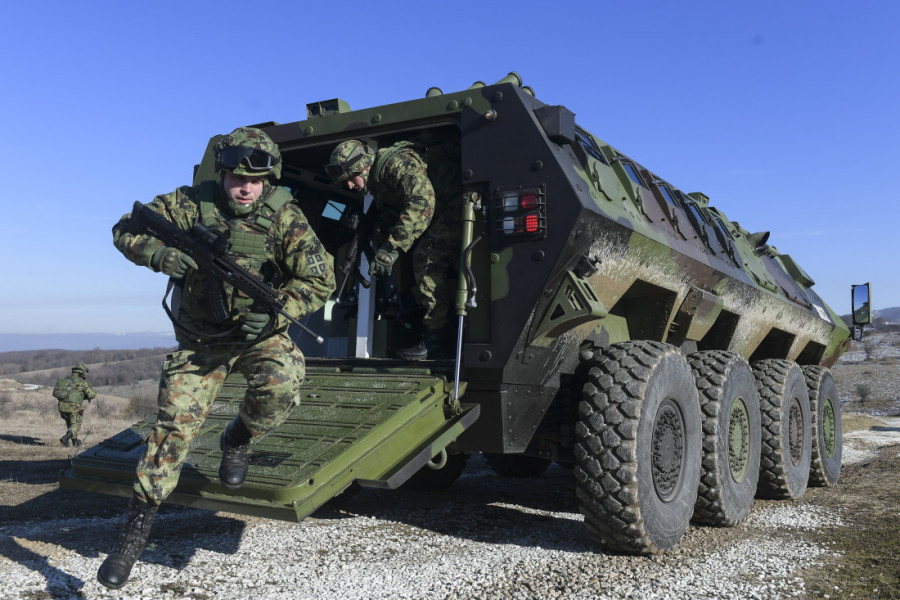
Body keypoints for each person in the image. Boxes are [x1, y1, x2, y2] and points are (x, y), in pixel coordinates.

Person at [98, 127, 335, 590]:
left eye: (254, 181)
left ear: (268, 181)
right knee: (170, 432)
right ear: (222, 174)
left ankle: (238, 437)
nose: (245, 188)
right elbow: (124, 229)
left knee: (283, 384)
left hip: (256, 335)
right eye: (236, 178)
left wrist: (271, 314)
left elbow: (319, 280)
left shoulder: (285, 217)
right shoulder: (187, 204)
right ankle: (133, 534)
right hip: (200, 342)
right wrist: (159, 253)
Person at [325, 137, 462, 360]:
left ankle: (437, 342)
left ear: (363, 167)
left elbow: (421, 200)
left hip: (456, 205)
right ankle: (415, 313)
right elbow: (391, 212)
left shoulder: (395, 164)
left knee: (426, 256)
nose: (349, 185)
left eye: (351, 177)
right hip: (438, 213)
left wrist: (392, 247)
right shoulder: (378, 182)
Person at [53, 364, 96, 447]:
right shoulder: (82, 382)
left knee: (70, 425)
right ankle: (65, 438)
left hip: (62, 407)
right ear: (82, 373)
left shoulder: (65, 380)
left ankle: (74, 442)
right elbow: (91, 395)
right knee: (75, 426)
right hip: (74, 407)